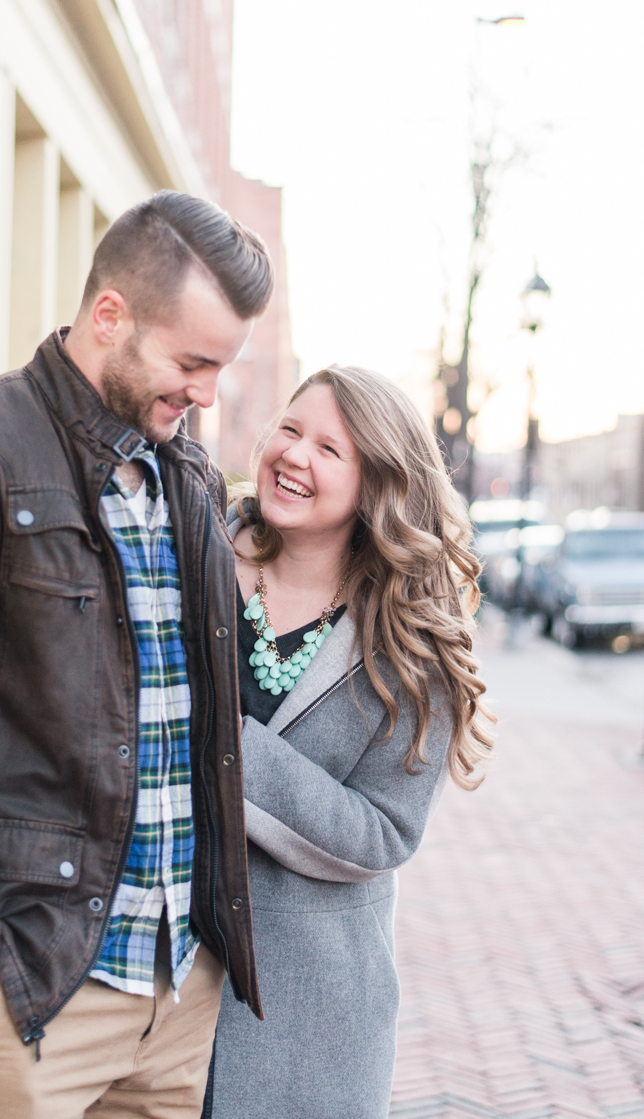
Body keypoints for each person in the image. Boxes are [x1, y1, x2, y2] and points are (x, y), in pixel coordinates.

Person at [0, 191, 273, 1119]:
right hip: (28, 997)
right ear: (110, 315)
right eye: (192, 361)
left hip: (177, 995)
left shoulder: (190, 476)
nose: (206, 393)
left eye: (220, 368)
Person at [203, 365, 496, 1119]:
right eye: (290, 431)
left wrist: (227, 749)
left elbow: (383, 831)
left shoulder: (413, 646)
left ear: (377, 486)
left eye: (330, 449)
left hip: (304, 1027)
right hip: (151, 992)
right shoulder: (194, 557)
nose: (294, 456)